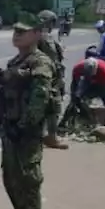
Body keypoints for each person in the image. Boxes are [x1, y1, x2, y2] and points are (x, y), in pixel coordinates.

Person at [0, 14, 54, 209]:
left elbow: (40, 98)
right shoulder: (15, 62)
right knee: (11, 178)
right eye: (15, 31)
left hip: (25, 130)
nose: (17, 34)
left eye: (24, 31)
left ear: (38, 34)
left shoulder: (40, 62)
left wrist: (26, 126)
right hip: (10, 128)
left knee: (28, 179)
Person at [60, 51, 105, 131]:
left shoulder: (104, 70)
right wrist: (78, 98)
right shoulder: (77, 69)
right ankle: (63, 122)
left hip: (104, 81)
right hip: (84, 79)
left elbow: (103, 89)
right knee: (75, 100)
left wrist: (93, 95)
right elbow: (75, 85)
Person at [36, 10, 69, 151]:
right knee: (53, 107)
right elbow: (53, 60)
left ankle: (41, 136)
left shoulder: (37, 35)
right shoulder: (44, 37)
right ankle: (51, 137)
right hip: (48, 77)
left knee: (42, 108)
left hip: (44, 76)